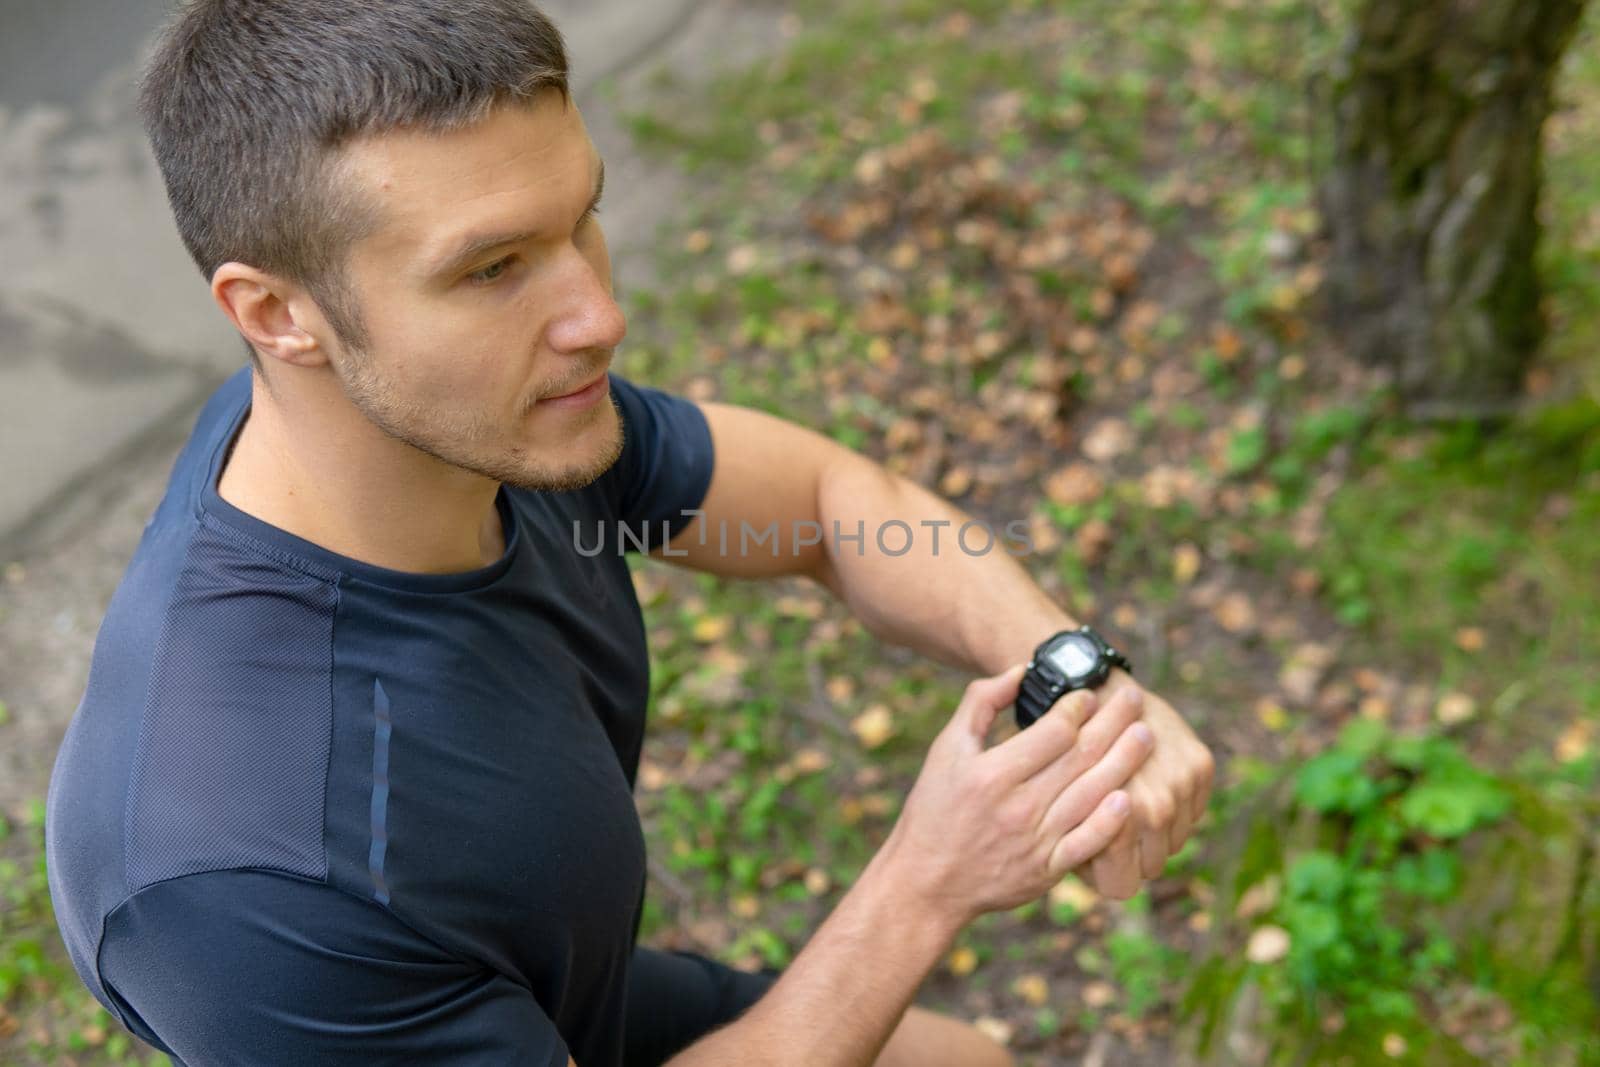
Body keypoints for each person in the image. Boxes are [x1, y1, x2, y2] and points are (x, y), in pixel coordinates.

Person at [43, 2, 1215, 1065]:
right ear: (276, 314)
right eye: (493, 268)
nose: (598, 316)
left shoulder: (466, 422)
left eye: (582, 220)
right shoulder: (250, 881)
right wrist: (925, 881)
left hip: (554, 995)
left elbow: (829, 506)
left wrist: (1080, 686)